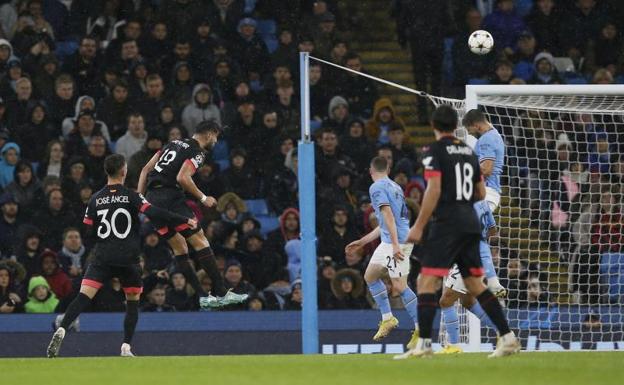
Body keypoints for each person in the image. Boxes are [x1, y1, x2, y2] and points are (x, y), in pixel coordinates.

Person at [394, 106, 519, 359]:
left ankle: (425, 344)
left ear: (434, 125)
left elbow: (433, 190)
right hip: (471, 222)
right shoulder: (468, 152)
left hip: (448, 224)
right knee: (475, 284)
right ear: (456, 126)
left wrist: (419, 225)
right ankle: (508, 338)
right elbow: (482, 193)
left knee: (425, 281)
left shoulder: (434, 151)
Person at [46, 154, 198, 358]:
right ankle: (126, 347)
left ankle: (63, 328)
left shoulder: (95, 199)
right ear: (124, 171)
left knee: (83, 297)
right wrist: (183, 219)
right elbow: (154, 212)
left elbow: (88, 232)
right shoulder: (131, 196)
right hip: (128, 257)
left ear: (106, 171)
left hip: (102, 256)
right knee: (133, 302)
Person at [137, 120, 248, 308]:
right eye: (216, 136)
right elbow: (182, 177)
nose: (216, 141)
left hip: (152, 200)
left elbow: (145, 169)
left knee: (180, 247)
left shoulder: (172, 144)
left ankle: (203, 295)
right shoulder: (197, 152)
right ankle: (221, 291)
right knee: (201, 240)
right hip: (170, 197)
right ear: (210, 134)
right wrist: (204, 198)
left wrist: (140, 198)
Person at [345, 156, 419, 347]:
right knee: (370, 276)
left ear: (372, 170)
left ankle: (422, 328)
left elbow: (387, 215)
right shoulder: (395, 187)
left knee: (400, 286)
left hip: (397, 242)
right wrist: (363, 241)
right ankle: (388, 318)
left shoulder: (376, 187)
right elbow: (385, 221)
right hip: (392, 240)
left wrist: (395, 245)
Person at [437, 200, 501, 354]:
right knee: (468, 301)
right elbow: (493, 230)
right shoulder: (483, 203)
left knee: (446, 300)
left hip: (467, 254)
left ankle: (453, 345)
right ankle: (503, 331)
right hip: (479, 253)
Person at [461, 109, 506, 295]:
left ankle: (492, 282)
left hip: (485, 192)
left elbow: (486, 169)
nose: (470, 133)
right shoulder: (495, 136)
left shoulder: (486, 139)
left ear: (476, 124)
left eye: (469, 129)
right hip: (486, 193)